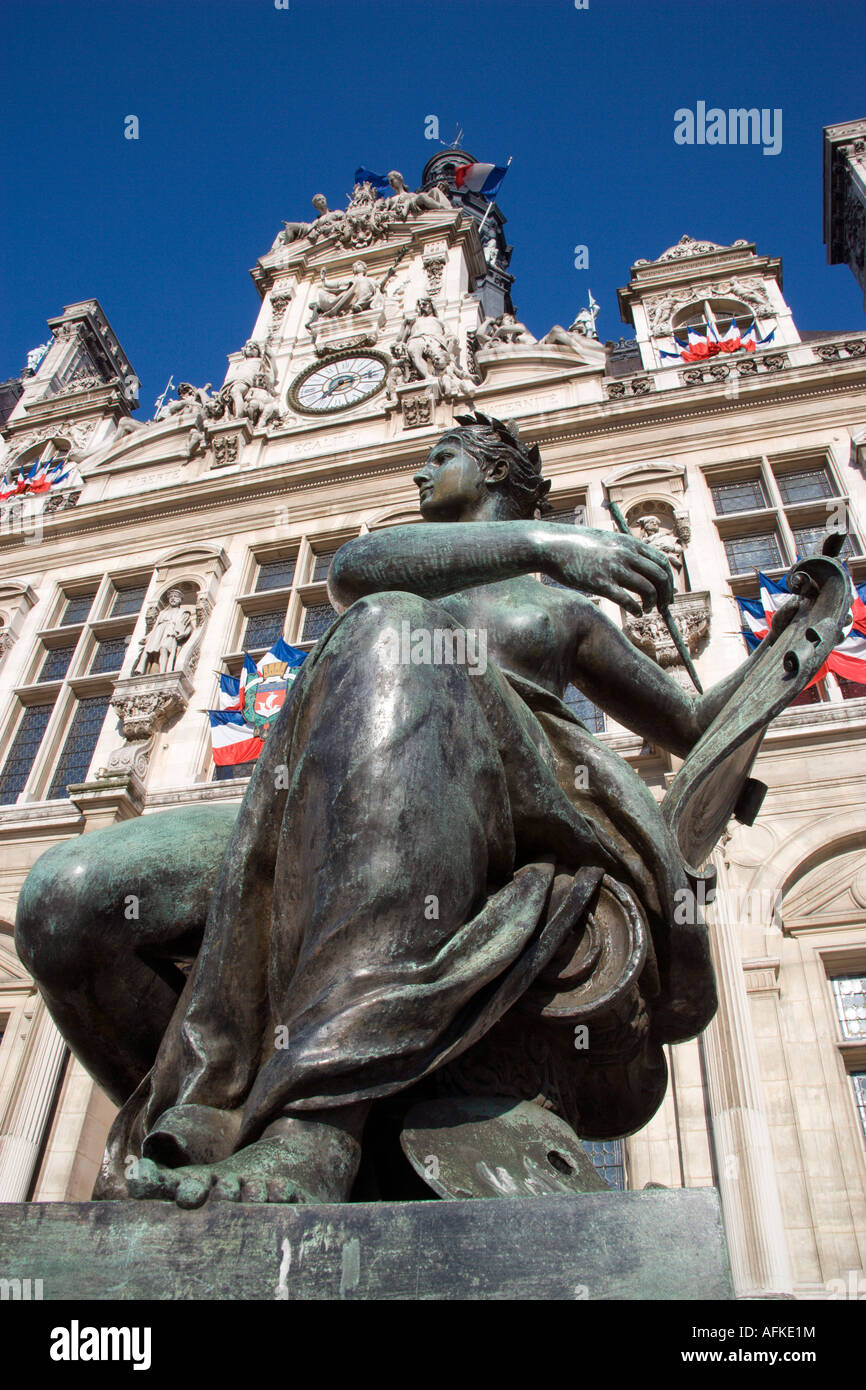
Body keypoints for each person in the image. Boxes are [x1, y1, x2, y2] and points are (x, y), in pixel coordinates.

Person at [15, 413, 796, 1209]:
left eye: (441, 457)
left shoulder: (562, 615)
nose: (421, 473)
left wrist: (792, 640)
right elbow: (357, 567)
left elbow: (695, 726)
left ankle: (312, 1134)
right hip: (325, 796)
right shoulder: (405, 571)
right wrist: (545, 542)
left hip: (507, 804)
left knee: (396, 630)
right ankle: (198, 1130)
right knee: (67, 900)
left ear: (494, 472)